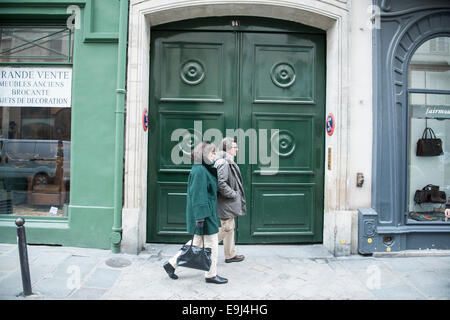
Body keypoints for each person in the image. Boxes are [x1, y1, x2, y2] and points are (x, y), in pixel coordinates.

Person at [163, 141, 228, 284]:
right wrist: (200, 218)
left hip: (206, 212)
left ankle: (171, 264)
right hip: (205, 213)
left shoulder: (203, 168)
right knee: (212, 243)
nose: (214, 155)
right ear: (204, 154)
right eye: (212, 152)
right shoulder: (199, 170)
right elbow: (198, 195)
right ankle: (211, 275)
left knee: (197, 242)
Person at [214, 137, 247, 263]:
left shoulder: (227, 161)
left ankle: (230, 254)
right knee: (227, 227)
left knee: (230, 226)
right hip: (225, 201)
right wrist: (233, 194)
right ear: (228, 149)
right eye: (235, 147)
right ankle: (202, 245)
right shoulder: (223, 163)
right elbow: (221, 183)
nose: (237, 149)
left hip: (228, 202)